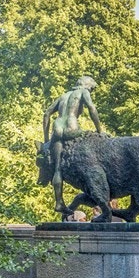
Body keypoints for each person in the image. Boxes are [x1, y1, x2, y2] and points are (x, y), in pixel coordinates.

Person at [42, 76, 104, 215]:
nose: (91, 91)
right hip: (71, 127)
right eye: (92, 89)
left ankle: (59, 202)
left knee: (57, 169)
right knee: (90, 137)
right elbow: (92, 109)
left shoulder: (63, 96)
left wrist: (46, 140)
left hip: (56, 128)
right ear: (87, 86)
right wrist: (100, 131)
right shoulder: (83, 92)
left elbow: (46, 114)